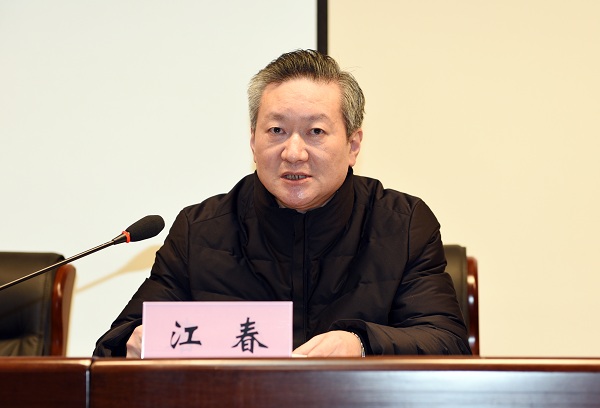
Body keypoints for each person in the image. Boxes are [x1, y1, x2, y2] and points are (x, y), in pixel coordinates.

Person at [93, 49, 471, 358]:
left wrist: (360, 344)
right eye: (276, 130)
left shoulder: (402, 224)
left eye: (315, 131)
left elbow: (447, 343)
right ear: (253, 140)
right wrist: (136, 342)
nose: (293, 152)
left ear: (353, 145)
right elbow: (114, 345)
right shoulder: (200, 230)